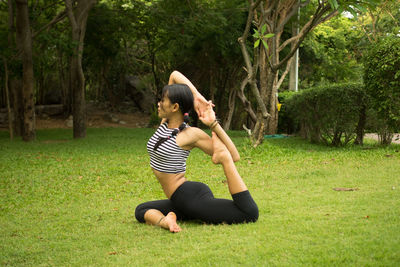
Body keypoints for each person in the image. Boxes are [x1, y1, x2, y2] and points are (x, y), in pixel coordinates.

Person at [135, 71, 258, 232]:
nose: (158, 103)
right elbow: (174, 75)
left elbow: (234, 155)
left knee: (248, 213)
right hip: (180, 198)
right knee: (141, 210)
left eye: (162, 101)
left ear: (175, 107)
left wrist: (213, 124)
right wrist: (197, 96)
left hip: (189, 197)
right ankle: (166, 221)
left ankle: (222, 163)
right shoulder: (165, 124)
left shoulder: (190, 134)